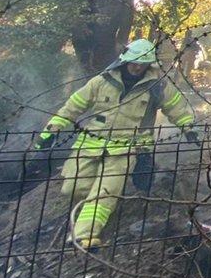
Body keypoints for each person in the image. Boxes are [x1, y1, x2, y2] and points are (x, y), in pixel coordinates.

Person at [34, 38, 198, 249]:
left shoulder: (157, 86)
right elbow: (73, 106)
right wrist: (52, 130)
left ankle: (83, 236)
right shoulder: (101, 82)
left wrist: (189, 128)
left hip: (127, 148)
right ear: (125, 60)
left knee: (105, 193)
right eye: (134, 62)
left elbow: (178, 108)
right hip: (90, 145)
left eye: (142, 63)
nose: (137, 67)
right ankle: (81, 223)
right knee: (74, 188)